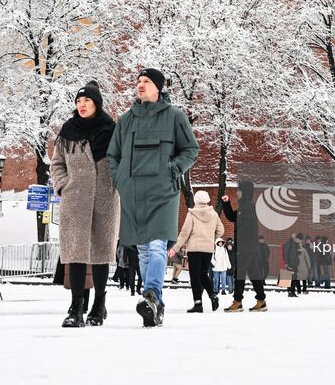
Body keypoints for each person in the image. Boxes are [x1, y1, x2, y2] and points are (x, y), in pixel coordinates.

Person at [106, 67, 200, 328]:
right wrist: (120, 178)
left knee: (158, 245)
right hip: (133, 191)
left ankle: (151, 294)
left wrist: (173, 169)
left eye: (146, 81)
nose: (140, 85)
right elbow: (112, 155)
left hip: (162, 191)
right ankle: (155, 305)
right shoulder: (126, 120)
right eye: (138, 81)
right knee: (144, 251)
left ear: (159, 87)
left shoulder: (174, 117)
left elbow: (191, 149)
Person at [51, 80, 121, 328]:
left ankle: (99, 304)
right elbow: (57, 163)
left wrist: (115, 185)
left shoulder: (112, 130)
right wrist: (63, 185)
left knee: (102, 250)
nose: (82, 105)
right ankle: (76, 307)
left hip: (104, 197)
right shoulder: (68, 131)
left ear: (96, 104)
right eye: (79, 101)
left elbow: (121, 162)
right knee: (76, 251)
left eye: (87, 101)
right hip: (75, 198)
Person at [220, 180, 269, 312]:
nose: (237, 192)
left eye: (239, 190)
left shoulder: (249, 208)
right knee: (254, 275)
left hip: (245, 248)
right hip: (248, 248)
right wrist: (226, 203)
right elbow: (231, 217)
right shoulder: (245, 207)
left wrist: (241, 246)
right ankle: (261, 301)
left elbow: (248, 229)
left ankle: (237, 301)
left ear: (245, 192)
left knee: (239, 275)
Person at [172, 190, 224, 312]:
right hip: (208, 250)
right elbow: (221, 230)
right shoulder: (214, 214)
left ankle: (198, 304)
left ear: (196, 200)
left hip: (194, 249)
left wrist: (175, 248)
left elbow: (185, 233)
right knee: (203, 274)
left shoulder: (192, 214)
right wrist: (211, 239)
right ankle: (213, 295)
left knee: (195, 277)